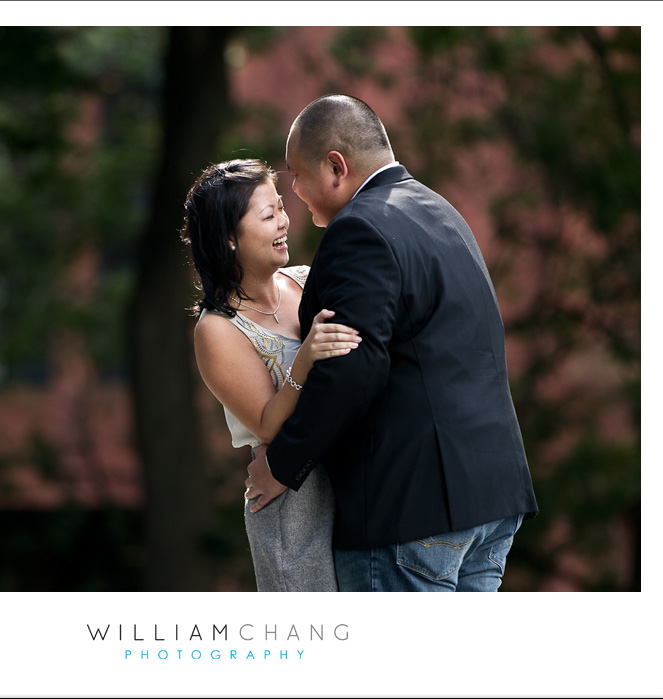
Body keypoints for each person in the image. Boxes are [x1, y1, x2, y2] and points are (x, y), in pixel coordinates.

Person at [245, 95, 539, 591]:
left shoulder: (359, 229)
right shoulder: (442, 213)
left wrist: (281, 465)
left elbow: (351, 366)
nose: (294, 192)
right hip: (491, 497)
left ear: (336, 166)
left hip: (411, 511)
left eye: (297, 175)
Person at [181, 159, 362, 591]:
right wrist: (305, 360)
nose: (284, 221)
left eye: (280, 207)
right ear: (228, 239)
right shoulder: (217, 329)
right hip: (290, 500)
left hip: (348, 480)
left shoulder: (306, 280)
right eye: (268, 215)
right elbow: (265, 422)